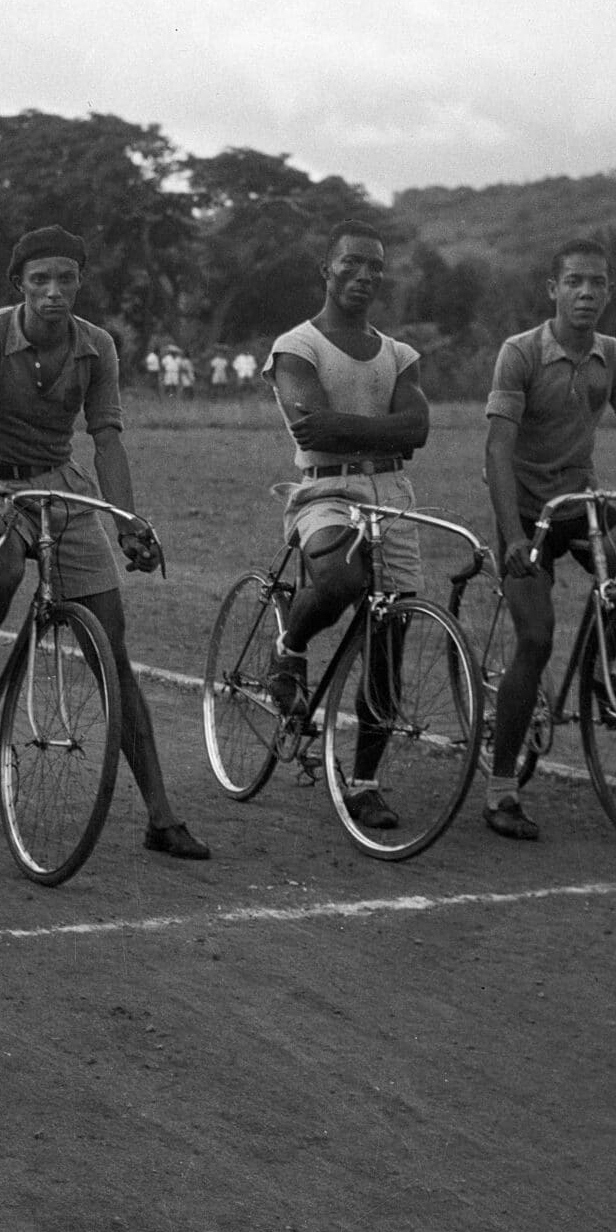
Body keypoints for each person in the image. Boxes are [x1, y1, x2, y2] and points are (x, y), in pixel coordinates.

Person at [0, 226, 209, 860]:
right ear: (20, 287)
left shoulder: (97, 346)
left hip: (63, 486)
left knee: (110, 648)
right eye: (40, 280)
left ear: (80, 283)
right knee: (2, 571)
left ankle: (161, 814)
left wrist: (126, 521)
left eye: (66, 279)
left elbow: (107, 439)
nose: (53, 292)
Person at [478, 236, 616, 840]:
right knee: (536, 639)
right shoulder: (519, 354)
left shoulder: (613, 355)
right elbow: (496, 448)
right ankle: (500, 789)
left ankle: (598, 667)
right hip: (526, 513)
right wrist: (513, 535)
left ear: (609, 292)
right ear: (553, 290)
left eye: (597, 283)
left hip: (581, 503)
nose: (586, 293)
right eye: (574, 282)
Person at [263, 220, 432, 831]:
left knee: (389, 640)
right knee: (338, 580)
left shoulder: (399, 354)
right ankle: (289, 647)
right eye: (351, 264)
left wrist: (351, 428)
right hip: (324, 489)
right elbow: (311, 427)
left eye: (374, 269)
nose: (364, 277)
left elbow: (418, 429)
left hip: (391, 493)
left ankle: (363, 782)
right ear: (326, 270)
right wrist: (389, 430)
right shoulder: (297, 345)